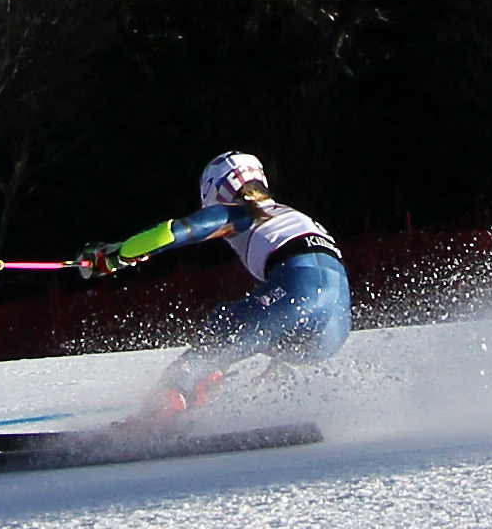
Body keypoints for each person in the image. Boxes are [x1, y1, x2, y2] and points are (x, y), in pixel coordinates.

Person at [72, 150, 349, 415]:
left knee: (224, 324)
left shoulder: (243, 212)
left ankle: (164, 408)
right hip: (334, 323)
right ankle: (267, 379)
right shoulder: (292, 215)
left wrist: (114, 256)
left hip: (299, 292)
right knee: (261, 336)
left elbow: (173, 233)